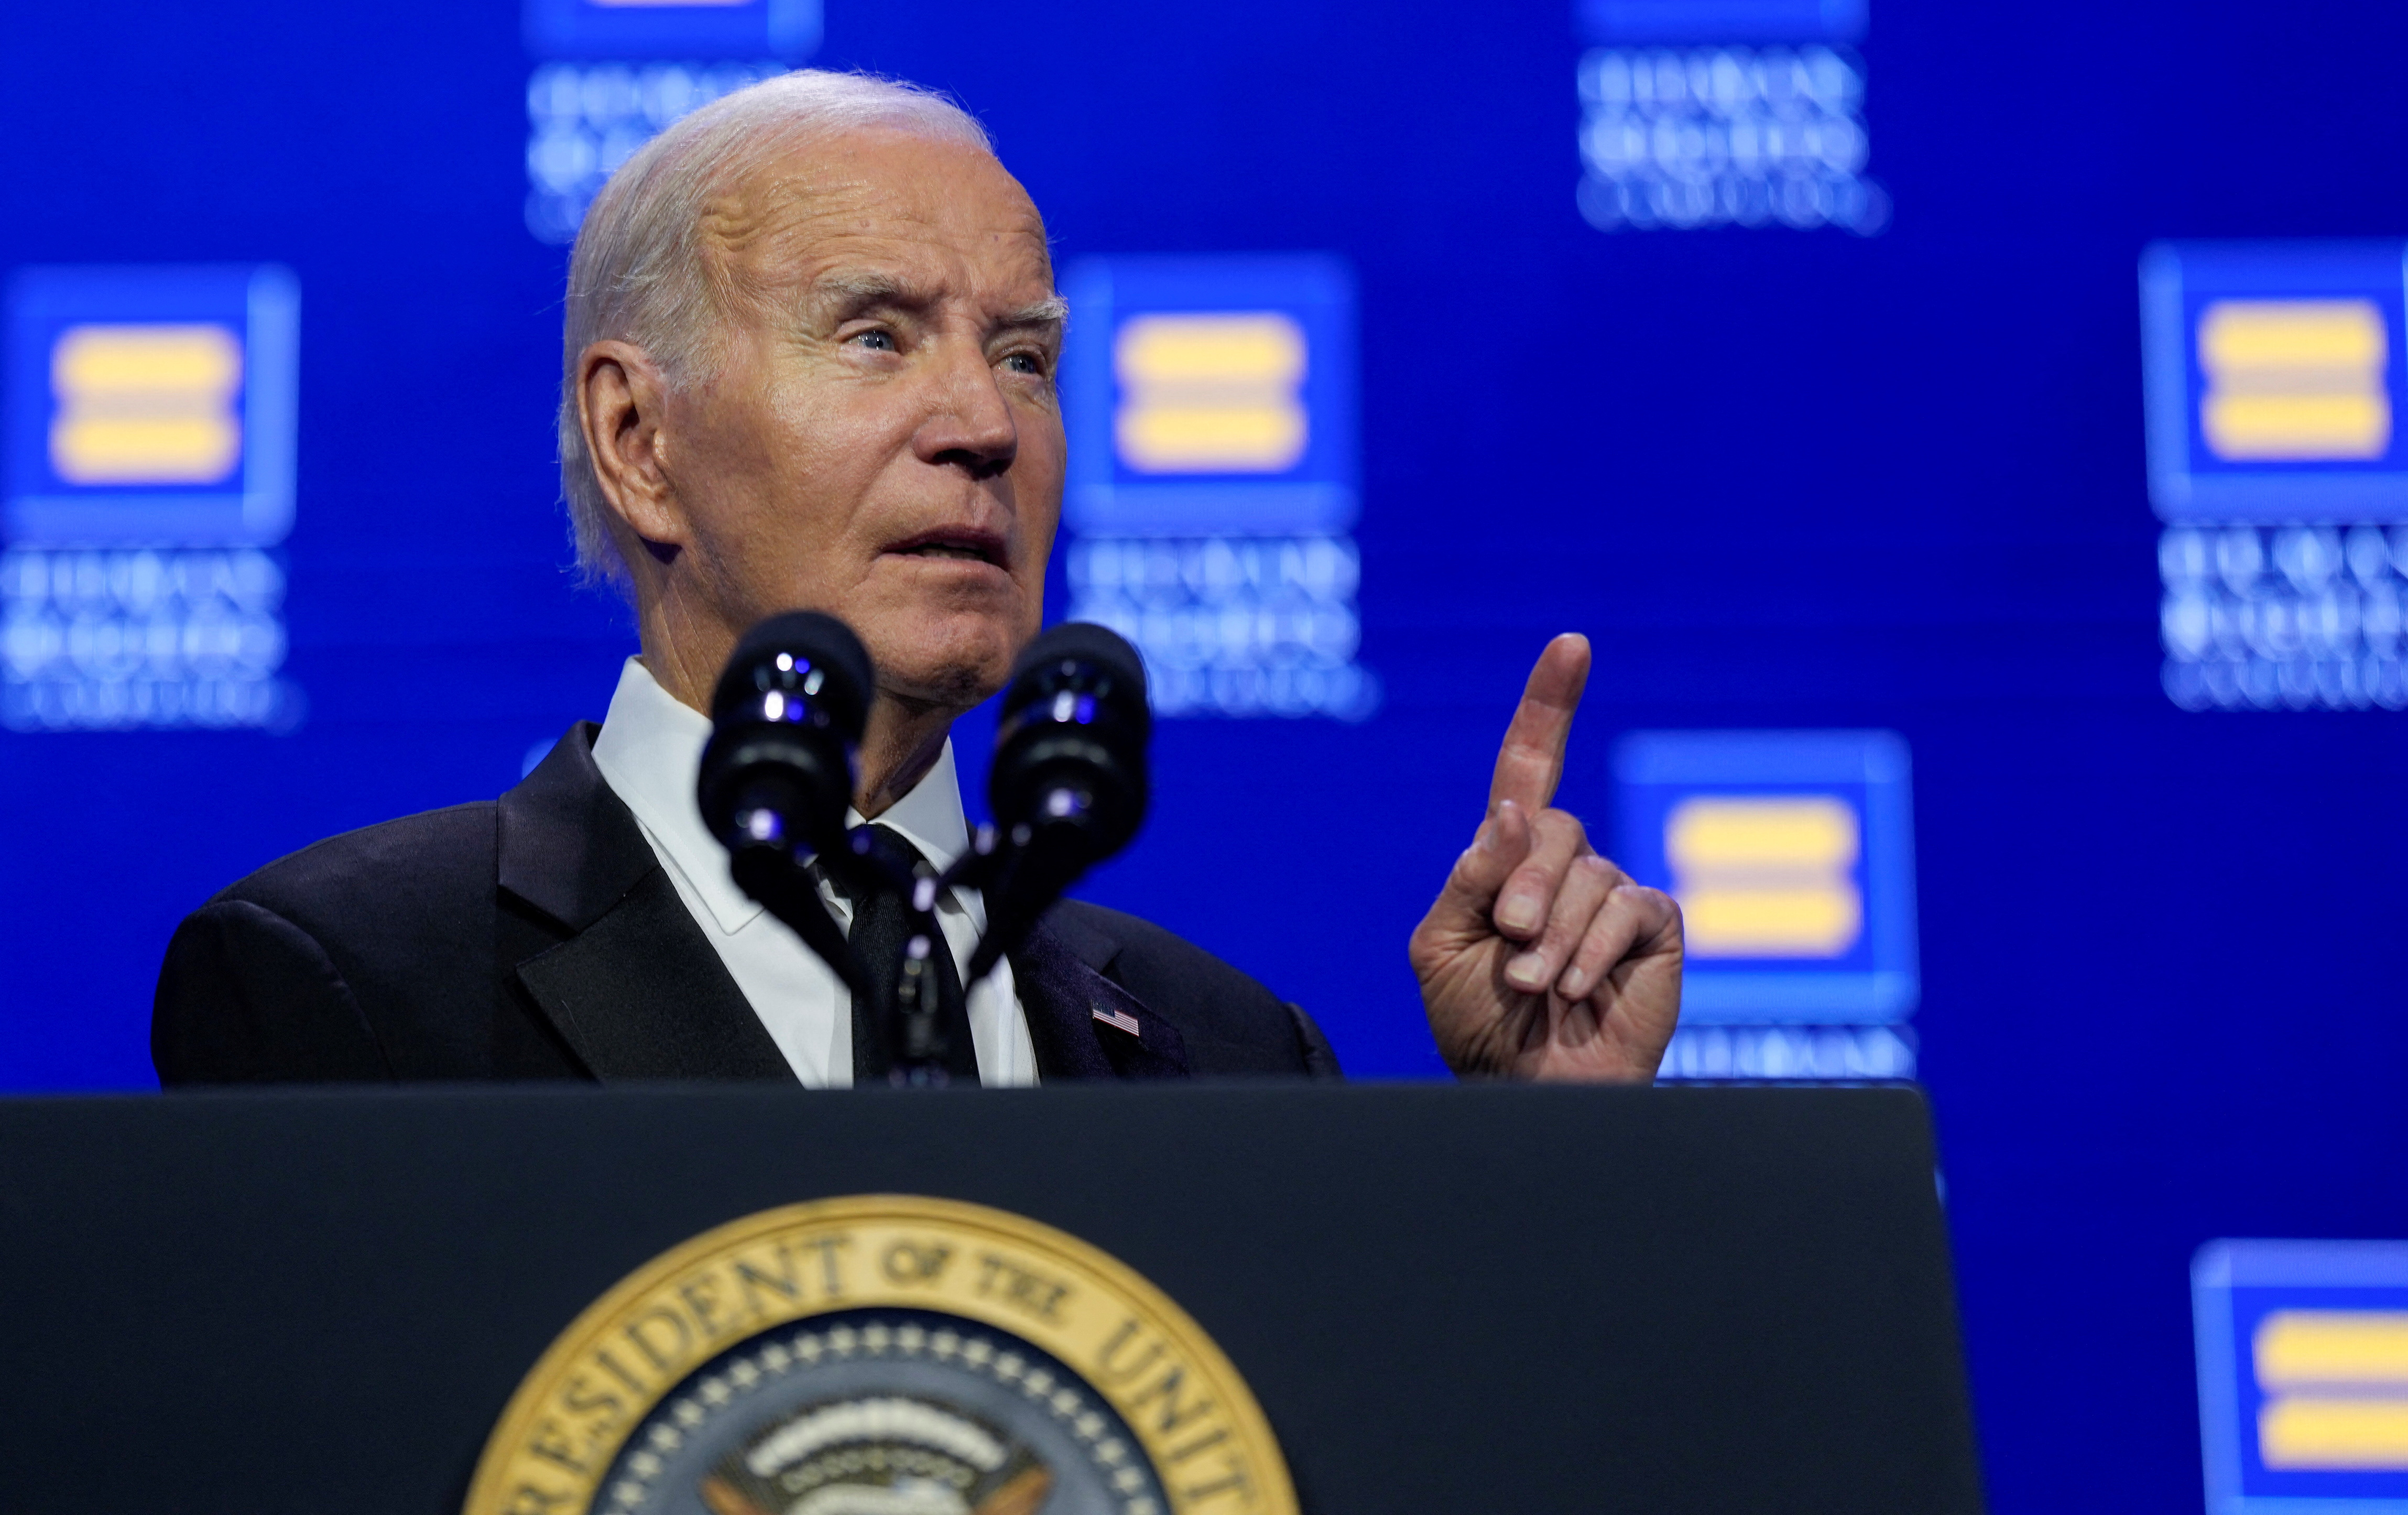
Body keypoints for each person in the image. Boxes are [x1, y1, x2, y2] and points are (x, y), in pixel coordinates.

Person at [151, 71, 1684, 1088]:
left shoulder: (1227, 1057)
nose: (981, 427)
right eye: (876, 336)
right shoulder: (351, 987)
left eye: (1024, 356)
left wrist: (1536, 1160)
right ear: (639, 439)